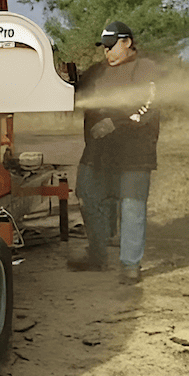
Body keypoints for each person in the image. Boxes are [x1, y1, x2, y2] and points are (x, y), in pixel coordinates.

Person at [69, 20, 160, 284]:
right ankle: (97, 256)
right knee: (87, 195)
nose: (107, 53)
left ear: (127, 42)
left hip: (135, 153)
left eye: (112, 47)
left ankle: (130, 266)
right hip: (98, 152)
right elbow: (73, 92)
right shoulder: (96, 72)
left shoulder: (147, 70)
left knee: (132, 207)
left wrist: (115, 123)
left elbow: (150, 105)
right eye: (104, 48)